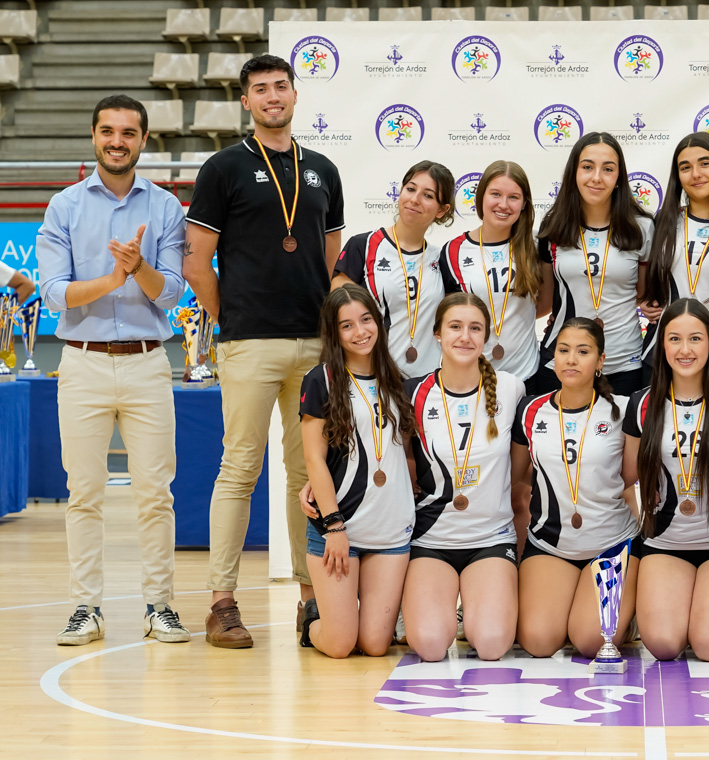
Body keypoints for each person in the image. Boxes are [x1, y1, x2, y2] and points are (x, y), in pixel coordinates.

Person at [183, 54, 345, 648]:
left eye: (281, 86)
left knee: (308, 473)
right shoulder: (223, 167)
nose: (272, 96)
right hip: (249, 342)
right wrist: (231, 317)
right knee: (239, 469)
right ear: (246, 102)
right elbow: (196, 260)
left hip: (312, 346)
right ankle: (223, 602)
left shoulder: (324, 168)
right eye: (260, 89)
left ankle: (310, 599)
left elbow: (331, 263)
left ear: (295, 96)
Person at [38, 95, 189, 645]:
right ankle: (86, 608)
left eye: (129, 132)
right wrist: (112, 279)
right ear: (94, 137)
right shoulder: (65, 206)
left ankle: (160, 606)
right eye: (108, 131)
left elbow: (170, 293)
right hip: (82, 365)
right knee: (85, 493)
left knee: (156, 492)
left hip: (150, 365)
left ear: (144, 140)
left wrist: (139, 267)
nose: (117, 141)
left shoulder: (167, 208)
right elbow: (55, 293)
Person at [625, 299, 709, 662]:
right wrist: (643, 522)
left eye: (695, 339)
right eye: (674, 339)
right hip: (666, 545)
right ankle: (665, 611)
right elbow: (625, 479)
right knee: (664, 645)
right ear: (661, 345)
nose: (685, 350)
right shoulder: (642, 403)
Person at [402, 292, 527, 662]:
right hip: (431, 539)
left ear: (486, 336)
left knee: (490, 644)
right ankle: (445, 609)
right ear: (437, 333)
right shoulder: (412, 394)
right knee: (428, 645)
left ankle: (474, 610)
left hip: (490, 539)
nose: (465, 337)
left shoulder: (511, 389)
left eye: (475, 328)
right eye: (455, 327)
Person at [295, 284, 416, 658]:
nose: (360, 331)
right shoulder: (321, 379)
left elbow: (408, 456)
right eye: (346, 326)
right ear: (334, 333)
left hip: (391, 531)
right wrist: (333, 526)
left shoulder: (400, 380)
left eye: (366, 320)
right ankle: (313, 620)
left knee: (375, 646)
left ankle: (349, 614)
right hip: (340, 529)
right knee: (340, 644)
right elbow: (314, 459)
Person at [513, 318, 640, 658]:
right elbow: (518, 480)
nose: (571, 359)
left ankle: (629, 614)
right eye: (563, 350)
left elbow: (632, 481)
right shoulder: (529, 410)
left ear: (600, 361)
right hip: (551, 544)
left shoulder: (625, 410)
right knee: (539, 641)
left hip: (610, 544)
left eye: (583, 352)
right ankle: (573, 602)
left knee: (590, 641)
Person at [532, 133, 654, 396]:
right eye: (587, 167)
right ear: (574, 172)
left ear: (619, 177)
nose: (597, 177)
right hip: (562, 360)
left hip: (624, 361)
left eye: (608, 169)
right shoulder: (553, 227)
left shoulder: (642, 228)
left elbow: (642, 293)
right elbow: (547, 299)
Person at [642, 133, 709, 379]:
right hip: (664, 354)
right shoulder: (662, 222)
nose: (695, 174)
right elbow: (638, 279)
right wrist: (646, 302)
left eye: (705, 163)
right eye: (685, 167)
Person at [332, 161, 455, 378]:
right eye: (410, 189)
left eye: (428, 195)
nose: (414, 199)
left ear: (442, 210)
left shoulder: (441, 258)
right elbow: (337, 313)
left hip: (423, 383)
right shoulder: (363, 246)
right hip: (370, 378)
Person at [441, 161, 551, 385]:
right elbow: (449, 318)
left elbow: (545, 303)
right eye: (495, 194)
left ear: (524, 204)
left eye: (513, 197)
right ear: (481, 196)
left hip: (526, 376)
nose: (503, 204)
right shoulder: (453, 251)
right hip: (471, 378)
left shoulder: (536, 244)